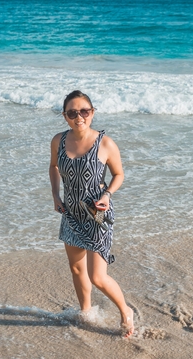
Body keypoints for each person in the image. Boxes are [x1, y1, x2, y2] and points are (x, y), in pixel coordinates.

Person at [49, 90, 134, 337]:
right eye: (72, 113)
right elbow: (53, 166)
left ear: (92, 112)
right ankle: (86, 312)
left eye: (84, 111)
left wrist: (107, 194)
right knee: (76, 269)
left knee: (97, 276)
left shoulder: (105, 143)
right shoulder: (58, 141)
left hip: (97, 214)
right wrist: (55, 195)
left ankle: (125, 310)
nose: (79, 117)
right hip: (71, 212)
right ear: (65, 116)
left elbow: (119, 174)